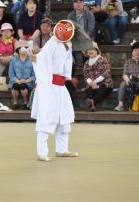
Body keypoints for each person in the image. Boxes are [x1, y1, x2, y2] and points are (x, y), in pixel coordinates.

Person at [31, 20, 79, 162]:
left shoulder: (68, 45)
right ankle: (42, 152)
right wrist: (36, 59)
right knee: (47, 116)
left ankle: (62, 149)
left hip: (61, 86)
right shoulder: (52, 43)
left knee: (64, 117)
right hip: (49, 86)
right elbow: (42, 57)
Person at [83, 42, 113, 111]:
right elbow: (86, 75)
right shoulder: (86, 63)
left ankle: (92, 102)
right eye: (88, 50)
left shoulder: (103, 59)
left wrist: (95, 82)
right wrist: (91, 83)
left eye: (92, 49)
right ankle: (92, 105)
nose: (90, 51)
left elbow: (106, 72)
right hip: (92, 84)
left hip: (104, 83)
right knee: (89, 90)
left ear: (97, 50)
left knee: (102, 90)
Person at [114, 41, 139, 111]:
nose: (137, 52)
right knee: (123, 84)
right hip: (130, 81)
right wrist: (127, 80)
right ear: (132, 52)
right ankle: (120, 104)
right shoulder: (128, 62)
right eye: (135, 51)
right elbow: (125, 74)